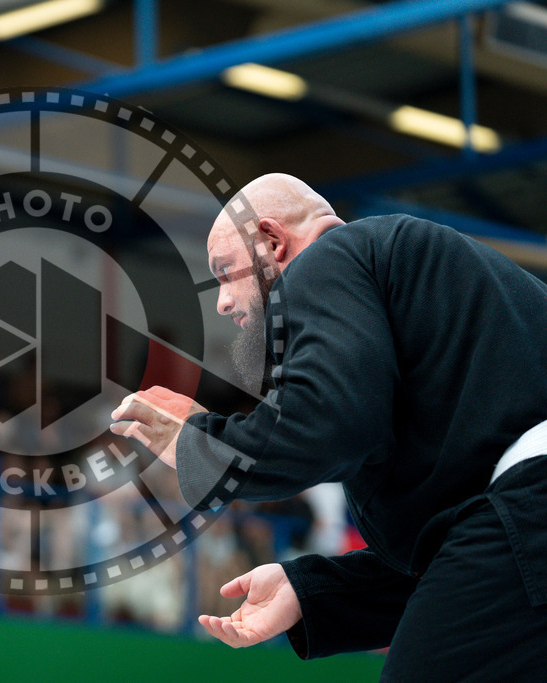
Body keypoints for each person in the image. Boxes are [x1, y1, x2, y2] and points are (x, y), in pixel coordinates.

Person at [110, 173, 547, 680]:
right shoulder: (425, 314)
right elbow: (462, 552)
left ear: (273, 242)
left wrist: (195, 439)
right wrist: (310, 590)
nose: (223, 302)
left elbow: (321, 427)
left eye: (226, 272)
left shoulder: (329, 256)